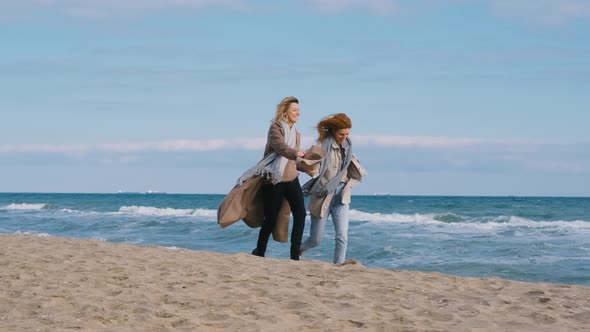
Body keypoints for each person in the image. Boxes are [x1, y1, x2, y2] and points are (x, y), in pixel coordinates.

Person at [237, 96, 307, 260]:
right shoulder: (275, 128)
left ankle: (294, 255)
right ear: (285, 112)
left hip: (291, 178)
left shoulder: (296, 134)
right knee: (271, 218)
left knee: (301, 214)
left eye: (298, 110)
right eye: (294, 110)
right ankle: (260, 251)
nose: (298, 113)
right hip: (273, 179)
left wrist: (307, 163)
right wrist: (295, 152)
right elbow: (281, 147)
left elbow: (294, 158)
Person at [299, 113, 366, 264]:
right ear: (334, 131)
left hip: (342, 194)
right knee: (316, 239)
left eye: (347, 133)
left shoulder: (347, 147)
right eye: (341, 133)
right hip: (323, 195)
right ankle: (299, 249)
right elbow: (315, 170)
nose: (345, 136)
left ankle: (339, 264)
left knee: (342, 236)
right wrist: (306, 166)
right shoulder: (323, 146)